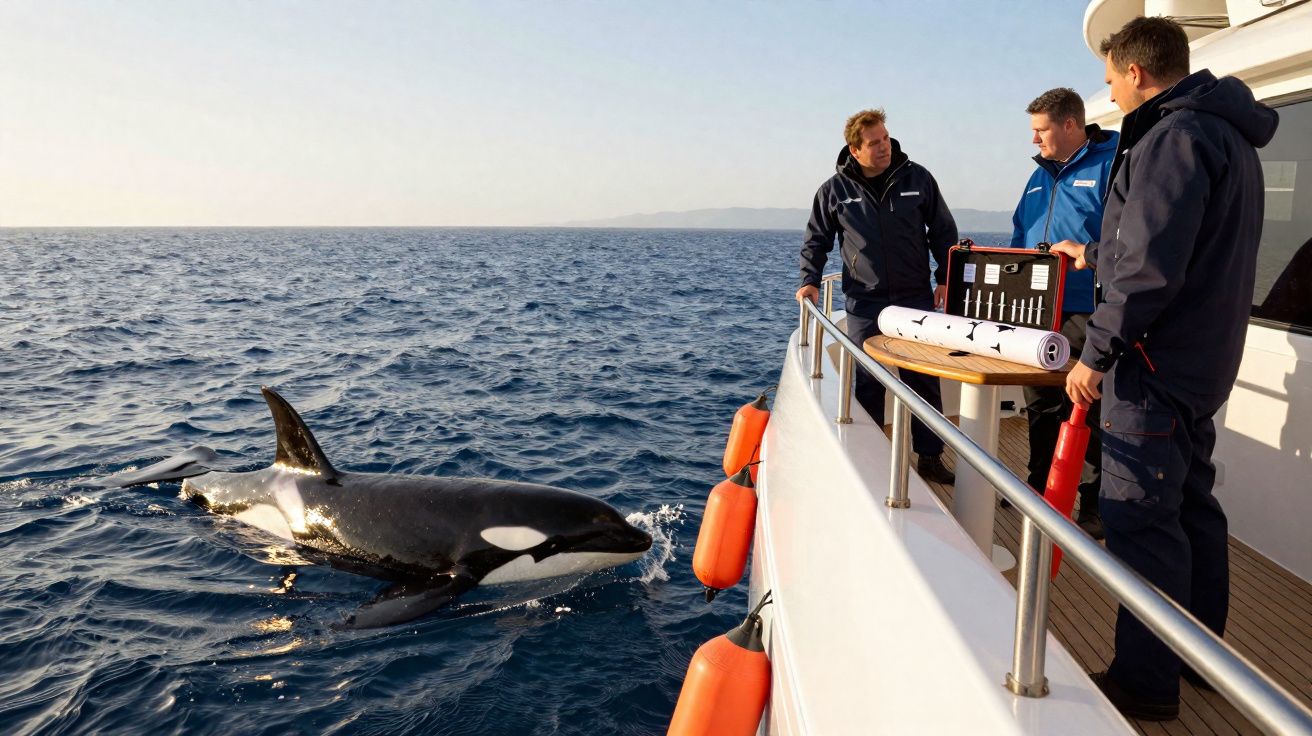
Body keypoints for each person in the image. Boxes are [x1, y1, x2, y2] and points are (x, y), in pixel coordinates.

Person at [1050, 17, 1278, 721]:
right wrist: (1097, 254)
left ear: (1137, 73)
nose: (1111, 93)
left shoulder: (1171, 138)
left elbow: (1148, 273)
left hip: (1150, 368)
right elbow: (1178, 247)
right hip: (1201, 363)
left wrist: (1095, 355)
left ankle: (1146, 684)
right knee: (1192, 509)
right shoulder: (1229, 137)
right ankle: (1202, 657)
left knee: (1142, 520)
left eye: (1112, 79)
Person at [797, 108, 958, 484]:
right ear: (855, 150)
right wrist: (809, 281)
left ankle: (930, 457)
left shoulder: (918, 178)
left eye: (886, 138)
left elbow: (943, 232)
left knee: (922, 379)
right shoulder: (834, 191)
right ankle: (870, 459)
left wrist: (946, 277)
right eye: (874, 143)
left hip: (916, 298)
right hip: (865, 301)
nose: (884, 147)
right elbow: (816, 241)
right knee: (868, 381)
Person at [1008, 88, 1118, 540]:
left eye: (1041, 130)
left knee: (1087, 406)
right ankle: (1039, 487)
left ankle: (1092, 504)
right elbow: (1020, 235)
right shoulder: (1037, 178)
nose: (1034, 140)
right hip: (1038, 308)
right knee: (1040, 403)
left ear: (1070, 125)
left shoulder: (1111, 164)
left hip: (1087, 308)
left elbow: (1121, 241)